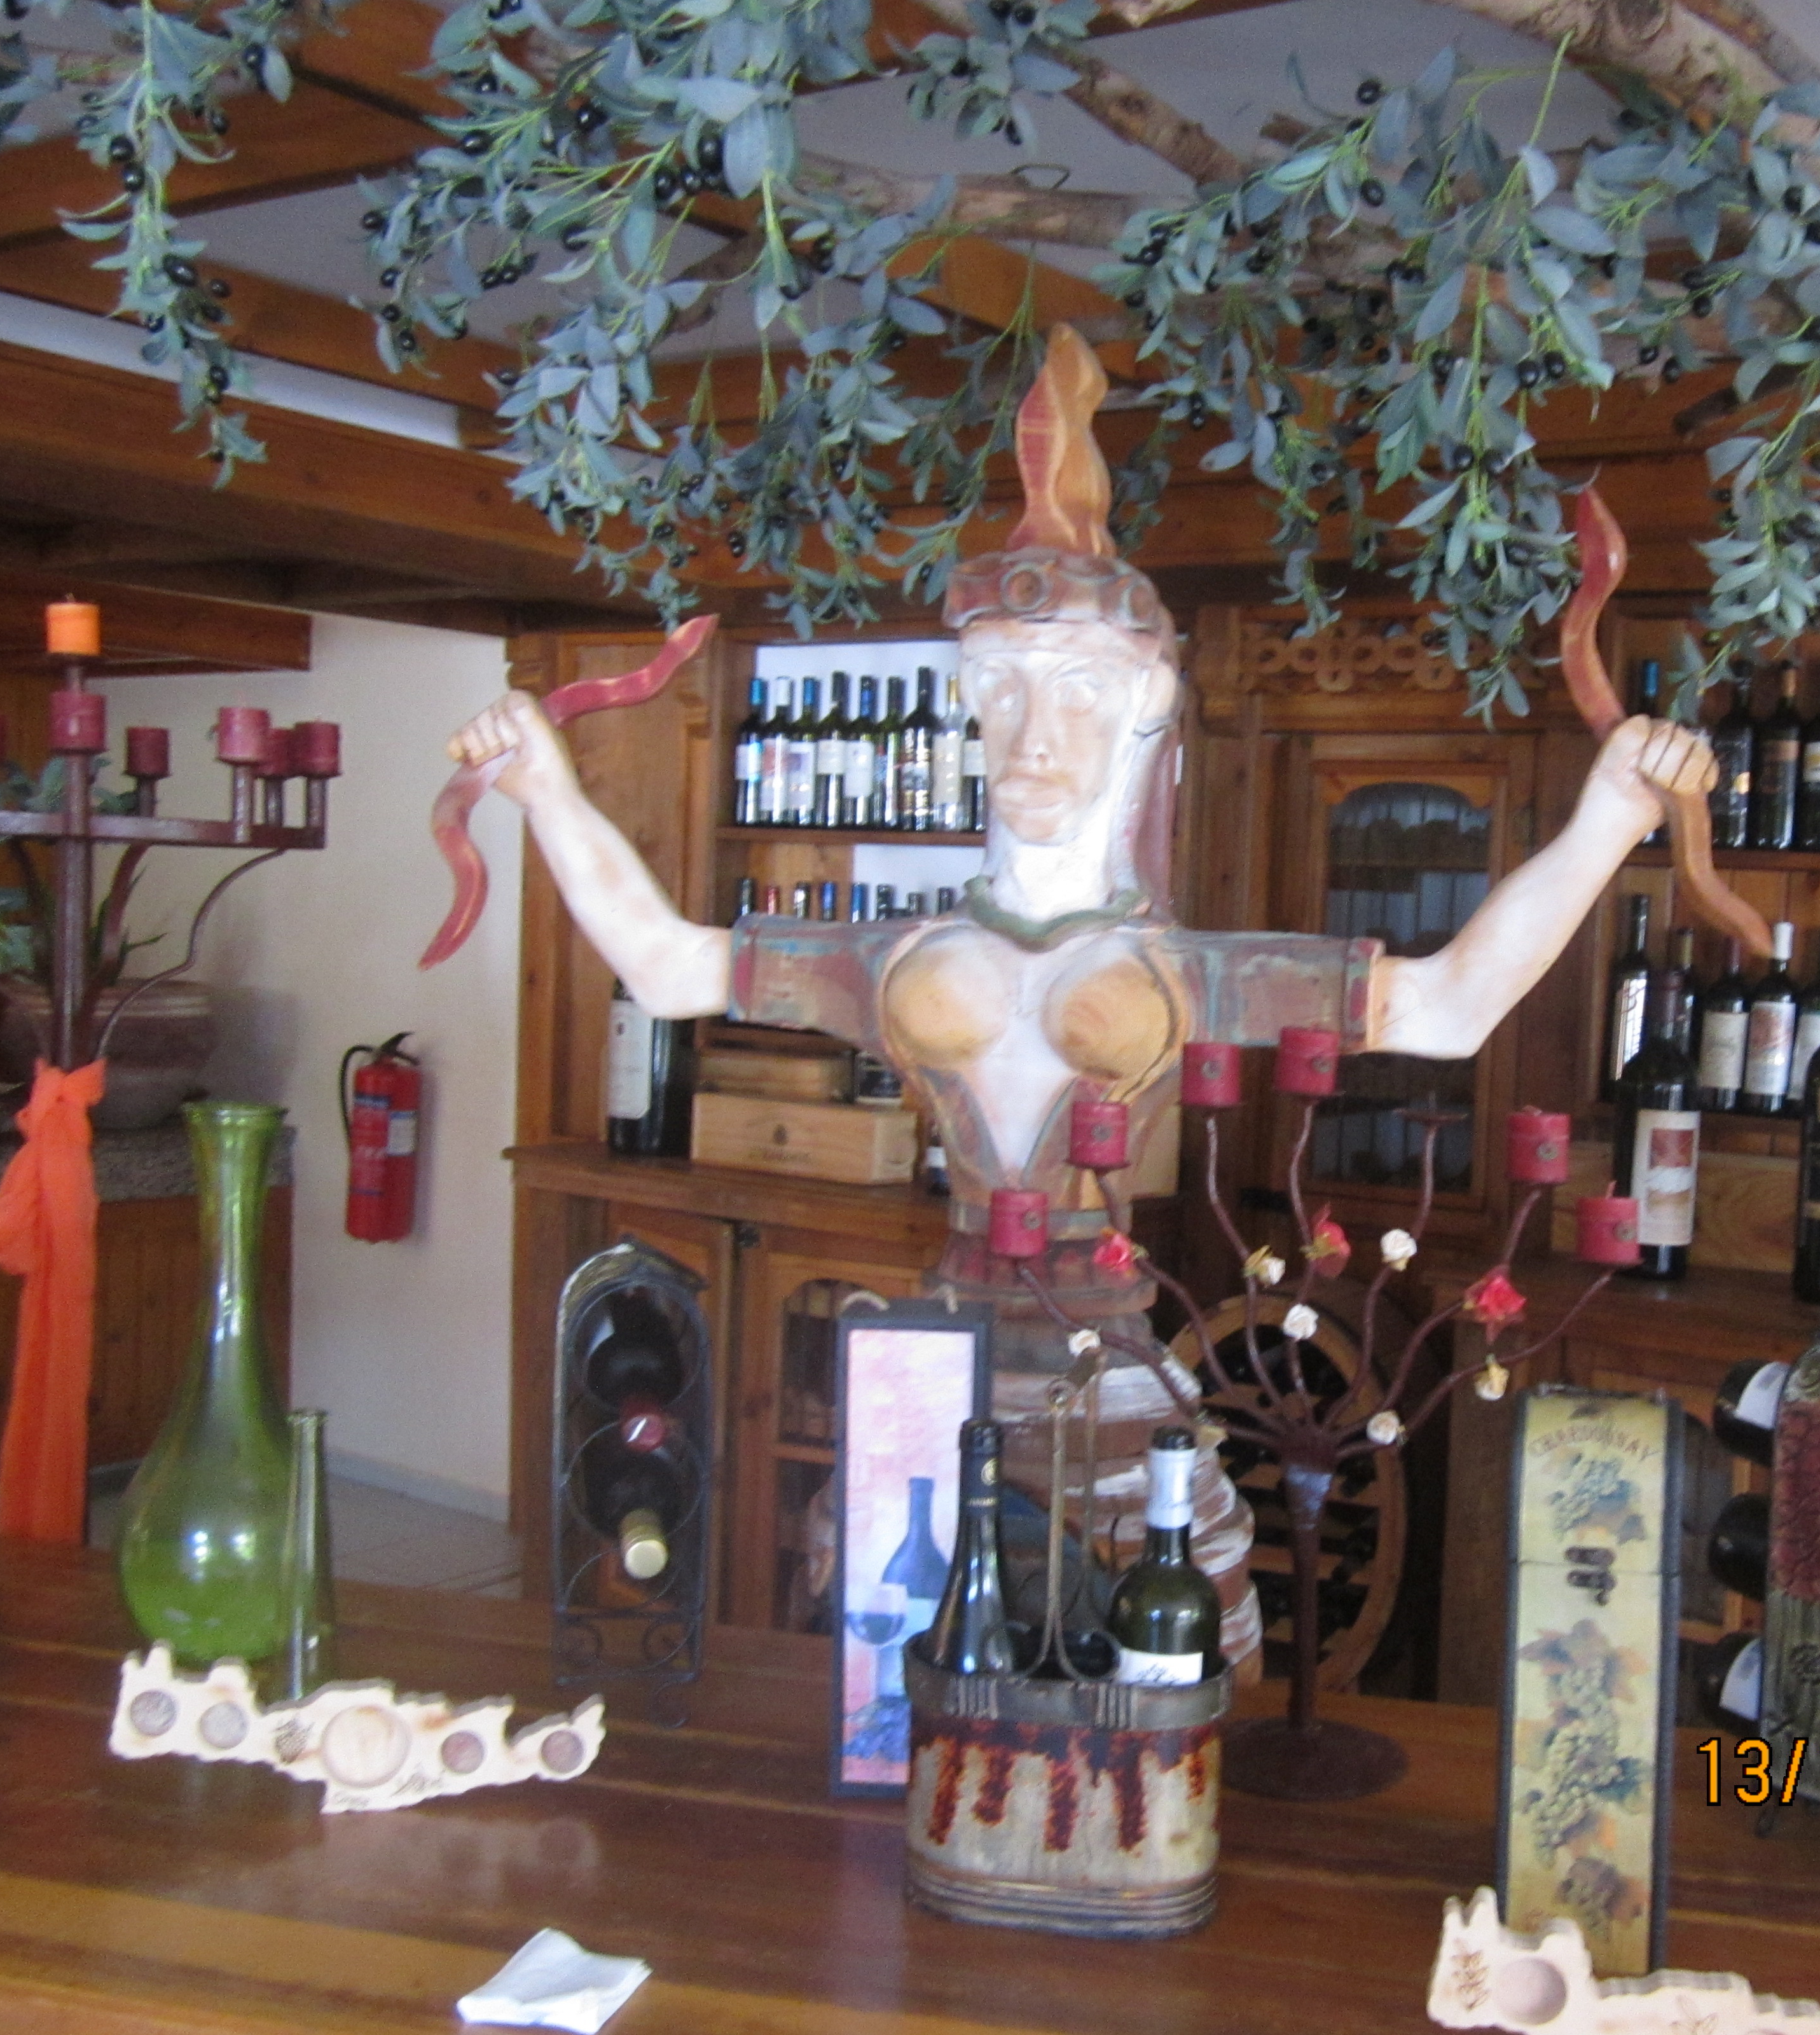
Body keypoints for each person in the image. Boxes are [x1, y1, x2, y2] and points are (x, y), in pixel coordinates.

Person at [448, 328, 1713, 1668]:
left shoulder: (1192, 971)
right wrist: (546, 791)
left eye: (1079, 690)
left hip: (1113, 1381)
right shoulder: (894, 955)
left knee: (1142, 1667)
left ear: (1148, 707)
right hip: (934, 1366)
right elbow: (669, 965)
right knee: (895, 1668)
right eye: (998, 687)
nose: (1034, 733)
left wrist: (1608, 817)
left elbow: (1450, 1008)